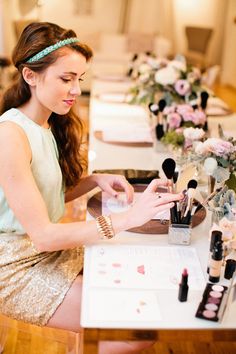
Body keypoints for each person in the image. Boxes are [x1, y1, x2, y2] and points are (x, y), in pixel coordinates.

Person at [0, 22, 182, 354]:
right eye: (65, 79)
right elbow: (43, 234)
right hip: (13, 265)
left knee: (132, 277)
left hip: (41, 250)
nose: (75, 90)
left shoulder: (43, 122)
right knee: (134, 331)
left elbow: (41, 198)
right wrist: (129, 218)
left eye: (79, 79)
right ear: (30, 76)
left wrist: (93, 181)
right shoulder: (10, 135)